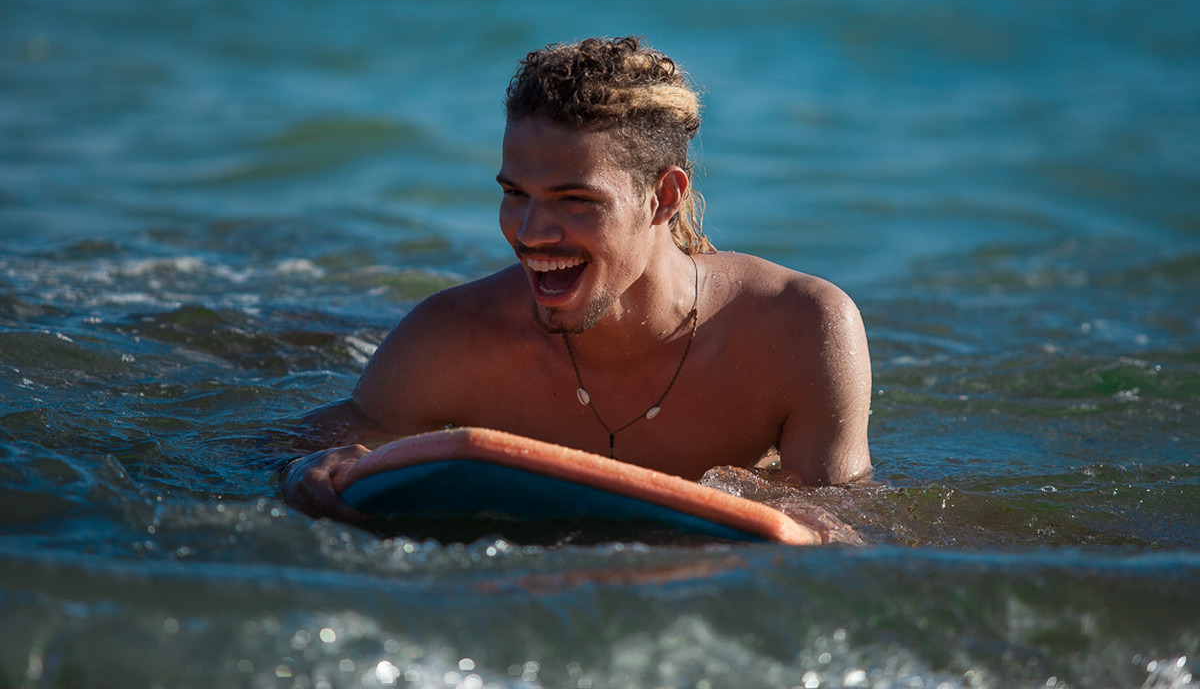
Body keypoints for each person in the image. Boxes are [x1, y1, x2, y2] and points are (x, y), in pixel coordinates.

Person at [282, 36, 872, 519]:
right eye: (515, 194)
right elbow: (285, 450)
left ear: (663, 197)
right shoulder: (456, 337)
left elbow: (841, 524)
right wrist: (308, 470)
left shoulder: (799, 328)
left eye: (574, 200)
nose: (531, 232)